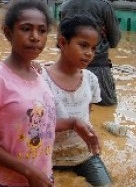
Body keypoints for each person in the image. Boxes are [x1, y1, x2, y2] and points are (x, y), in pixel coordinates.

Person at [0, 0, 100, 187]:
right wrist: (28, 171)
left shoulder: (38, 74)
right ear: (8, 33)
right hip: (6, 181)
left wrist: (74, 123)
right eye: (26, 29)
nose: (35, 37)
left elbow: (37, 124)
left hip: (41, 176)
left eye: (42, 31)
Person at [42, 15, 112, 186]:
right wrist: (72, 123)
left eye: (94, 48)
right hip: (46, 155)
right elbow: (35, 125)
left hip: (82, 153)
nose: (89, 53)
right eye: (83, 45)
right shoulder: (41, 79)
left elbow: (86, 116)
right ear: (63, 42)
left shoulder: (91, 80)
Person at [60, 0, 121, 106]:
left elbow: (61, 42)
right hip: (99, 70)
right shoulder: (104, 6)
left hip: (71, 70)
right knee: (107, 110)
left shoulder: (65, 6)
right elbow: (114, 40)